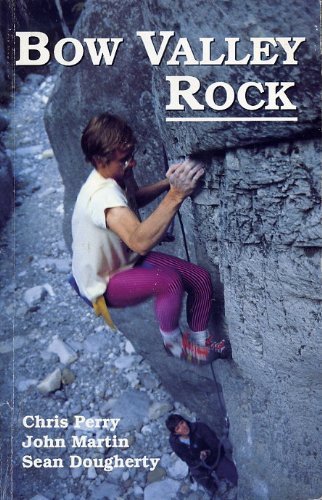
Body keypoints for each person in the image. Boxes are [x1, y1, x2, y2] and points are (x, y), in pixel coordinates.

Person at [71, 112, 229, 364]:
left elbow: (134, 198)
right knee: (168, 281)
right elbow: (139, 241)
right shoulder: (101, 196)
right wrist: (176, 194)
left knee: (199, 278)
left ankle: (200, 340)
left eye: (131, 156)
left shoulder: (113, 177)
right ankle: (173, 342)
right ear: (100, 160)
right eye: (124, 159)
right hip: (104, 281)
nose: (131, 163)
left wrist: (168, 183)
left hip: (123, 259)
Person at [166, 414, 238, 496]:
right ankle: (215, 491)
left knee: (236, 476)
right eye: (178, 428)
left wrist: (208, 453)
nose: (183, 427)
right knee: (199, 476)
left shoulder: (200, 428)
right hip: (198, 465)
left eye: (182, 423)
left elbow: (216, 446)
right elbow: (186, 458)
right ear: (175, 433)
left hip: (216, 458)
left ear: (185, 421)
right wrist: (199, 459)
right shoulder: (175, 443)